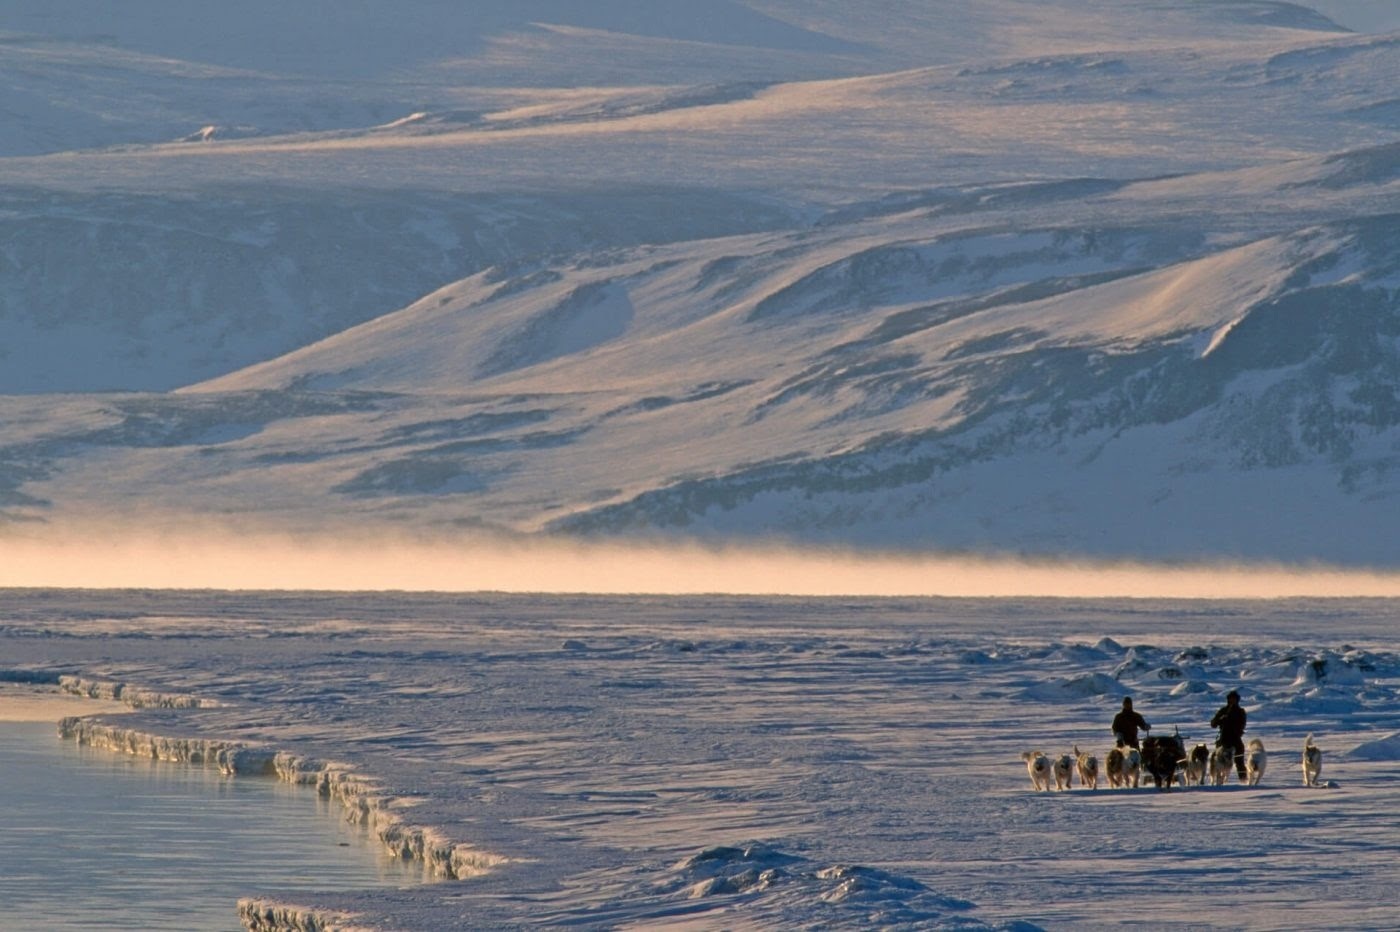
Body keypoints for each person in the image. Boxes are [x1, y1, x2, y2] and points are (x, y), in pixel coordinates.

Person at [1211, 689, 1248, 781]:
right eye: (1231, 699)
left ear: (1237, 700)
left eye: (1234, 699)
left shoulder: (1240, 711)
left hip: (1235, 739)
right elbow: (1213, 724)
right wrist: (1221, 720)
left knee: (1239, 761)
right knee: (1218, 761)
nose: (1232, 701)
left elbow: (1242, 725)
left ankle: (1243, 780)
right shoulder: (1223, 711)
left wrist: (1232, 725)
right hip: (1223, 739)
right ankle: (1218, 781)